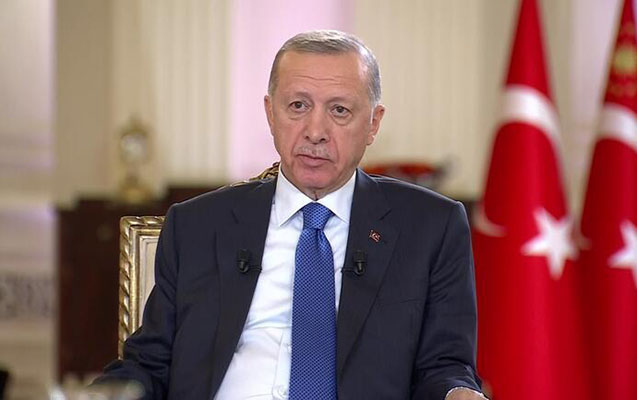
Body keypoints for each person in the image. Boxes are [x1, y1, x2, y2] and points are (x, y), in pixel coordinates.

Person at [96, 30, 484, 400]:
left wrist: (457, 392)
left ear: (373, 123)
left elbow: (444, 367)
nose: (315, 131)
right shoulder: (198, 226)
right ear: (271, 113)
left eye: (339, 110)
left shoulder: (430, 228)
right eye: (298, 106)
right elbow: (148, 365)